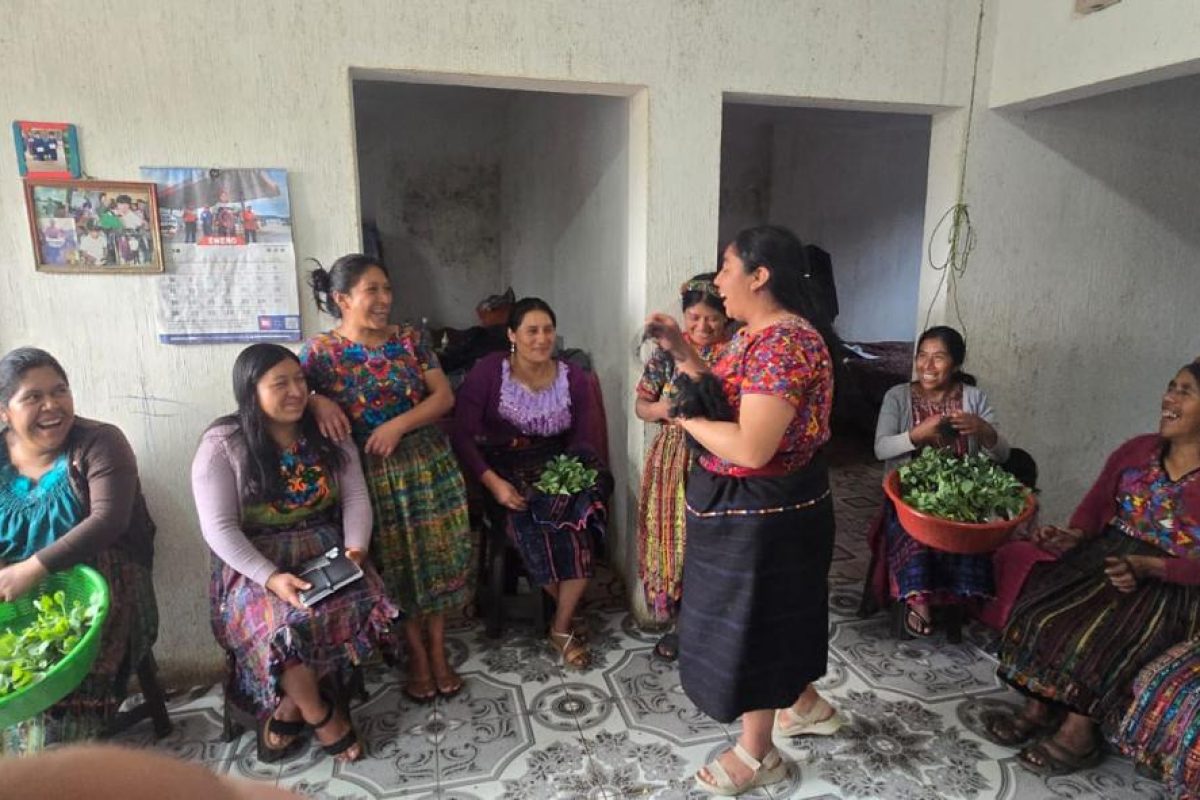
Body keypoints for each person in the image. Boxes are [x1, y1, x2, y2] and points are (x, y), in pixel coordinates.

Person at [646, 225, 844, 795]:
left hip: (769, 515)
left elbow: (753, 448)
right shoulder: (752, 335)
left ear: (760, 276)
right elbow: (729, 395)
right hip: (755, 512)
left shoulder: (784, 344)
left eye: (726, 268)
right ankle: (804, 704)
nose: (717, 281)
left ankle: (759, 756)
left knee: (755, 626)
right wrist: (682, 352)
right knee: (771, 618)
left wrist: (680, 417)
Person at [988, 362, 1200, 777]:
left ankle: (1078, 735)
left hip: (1173, 583)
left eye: (1185, 392)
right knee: (1044, 604)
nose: (1169, 398)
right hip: (1111, 554)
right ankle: (1041, 706)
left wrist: (1153, 566)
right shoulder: (1138, 451)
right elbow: (1096, 504)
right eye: (1170, 387)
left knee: (1108, 632)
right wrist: (1073, 535)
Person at [192, 344, 399, 763]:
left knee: (358, 596)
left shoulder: (326, 430)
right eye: (280, 384)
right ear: (251, 392)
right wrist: (271, 577)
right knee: (285, 625)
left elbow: (355, 496)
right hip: (255, 563)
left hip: (325, 548)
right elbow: (219, 528)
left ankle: (289, 708)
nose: (296, 392)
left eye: (300, 380)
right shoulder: (223, 444)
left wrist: (356, 550)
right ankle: (322, 716)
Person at [302, 254, 472, 703]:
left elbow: (443, 397)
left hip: (429, 464)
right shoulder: (320, 353)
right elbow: (292, 396)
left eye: (387, 289)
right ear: (342, 298)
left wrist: (398, 425)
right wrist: (318, 400)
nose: (384, 299)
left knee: (439, 559)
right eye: (371, 290)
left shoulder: (411, 340)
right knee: (396, 566)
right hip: (370, 476)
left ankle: (439, 651)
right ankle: (416, 655)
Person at [0, 348, 158, 743]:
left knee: (52, 712)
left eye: (60, 391)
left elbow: (108, 521)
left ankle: (59, 749)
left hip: (110, 589)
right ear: (4, 412)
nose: (52, 405)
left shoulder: (99, 442)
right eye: (33, 397)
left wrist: (32, 569)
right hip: (17, 598)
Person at [452, 297, 608, 669]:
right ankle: (567, 615)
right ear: (512, 335)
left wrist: (570, 479)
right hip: (502, 470)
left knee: (582, 522)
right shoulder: (490, 372)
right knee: (530, 527)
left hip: (557, 465)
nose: (541, 339)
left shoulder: (572, 377)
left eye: (548, 330)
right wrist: (494, 484)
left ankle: (560, 625)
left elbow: (583, 439)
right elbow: (461, 435)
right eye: (531, 331)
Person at [866, 326, 1009, 636]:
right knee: (920, 528)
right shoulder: (898, 397)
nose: (927, 366)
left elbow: (1003, 454)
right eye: (922, 356)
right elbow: (881, 449)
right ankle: (919, 602)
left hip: (959, 493)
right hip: (906, 494)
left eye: (939, 357)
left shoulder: (973, 399)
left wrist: (983, 430)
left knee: (968, 529)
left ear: (955, 364)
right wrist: (916, 435)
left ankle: (960, 599)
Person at [635, 273, 730, 661]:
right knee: (674, 543)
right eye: (694, 318)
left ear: (726, 317)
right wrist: (663, 409)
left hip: (718, 458)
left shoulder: (736, 354)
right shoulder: (665, 354)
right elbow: (641, 406)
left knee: (714, 544)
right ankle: (678, 626)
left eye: (712, 318)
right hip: (672, 461)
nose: (703, 326)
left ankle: (715, 627)